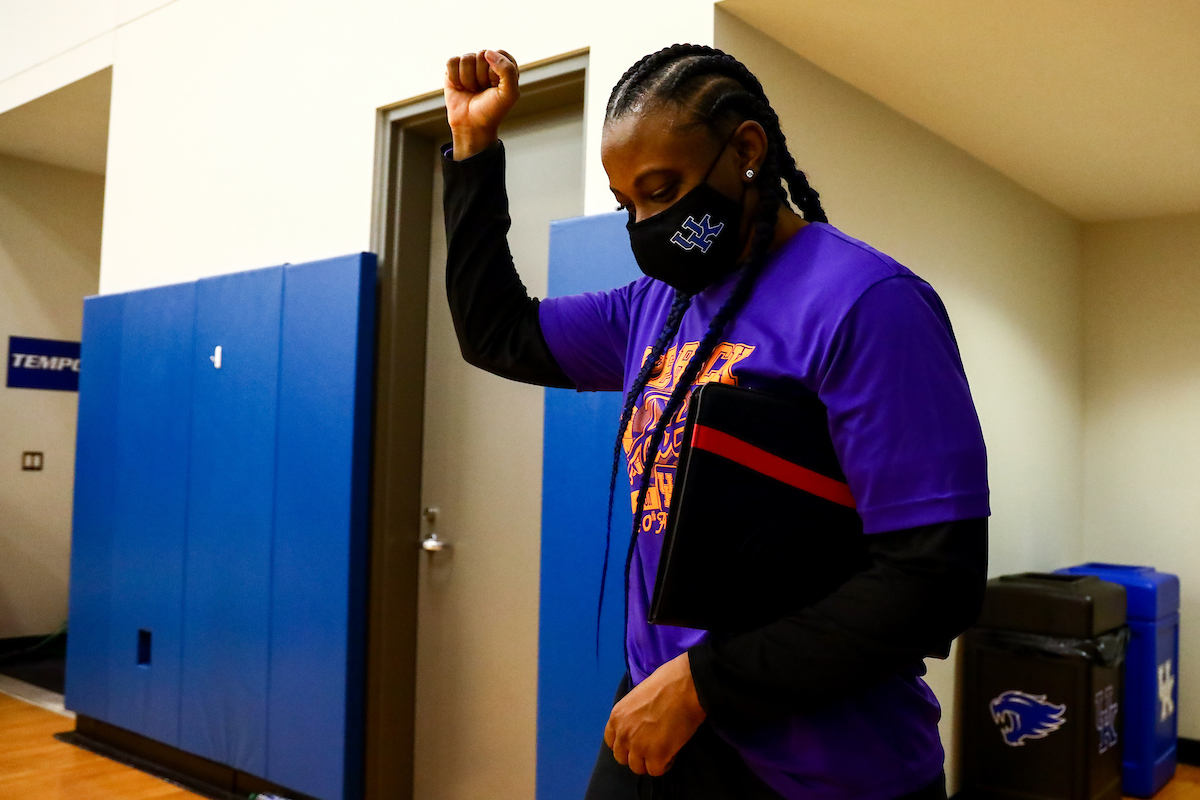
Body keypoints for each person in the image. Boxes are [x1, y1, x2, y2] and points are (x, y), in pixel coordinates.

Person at [441, 44, 990, 800]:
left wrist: (703, 684)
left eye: (663, 191)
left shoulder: (870, 304)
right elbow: (495, 331)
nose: (647, 224)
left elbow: (933, 582)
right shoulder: (651, 309)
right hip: (662, 727)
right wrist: (472, 150)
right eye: (627, 203)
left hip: (820, 765)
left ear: (747, 151)